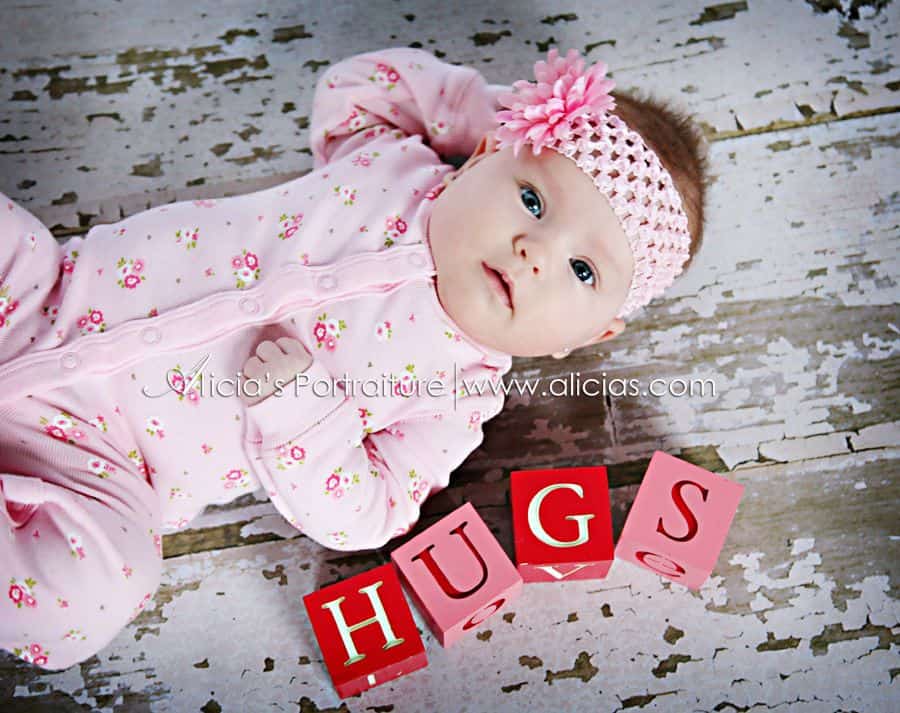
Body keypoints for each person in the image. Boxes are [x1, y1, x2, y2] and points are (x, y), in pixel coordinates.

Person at [0, 46, 709, 670]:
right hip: (43, 292)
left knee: (88, 596)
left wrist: (303, 416)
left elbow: (369, 514)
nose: (536, 252)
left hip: (102, 470)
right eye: (532, 198)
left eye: (582, 271)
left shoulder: (457, 398)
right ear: (490, 151)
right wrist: (488, 107)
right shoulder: (390, 157)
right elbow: (357, 85)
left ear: (586, 337)